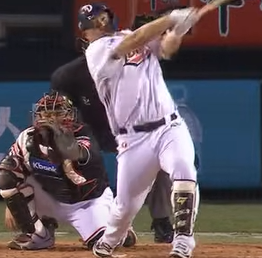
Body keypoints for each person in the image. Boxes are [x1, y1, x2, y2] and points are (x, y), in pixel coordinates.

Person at [78, 2, 213, 258]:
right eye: (94, 20)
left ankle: (183, 240)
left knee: (184, 170)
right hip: (133, 139)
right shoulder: (96, 51)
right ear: (85, 30)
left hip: (169, 126)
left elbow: (166, 49)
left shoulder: (130, 35)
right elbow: (135, 40)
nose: (101, 21)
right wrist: (171, 19)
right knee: (125, 206)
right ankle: (111, 238)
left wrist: (177, 31)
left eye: (103, 16)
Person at [50, 49, 174, 245]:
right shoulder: (69, 74)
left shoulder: (134, 69)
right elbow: (58, 113)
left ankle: (162, 221)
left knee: (158, 155)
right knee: (56, 156)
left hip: (127, 130)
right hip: (84, 132)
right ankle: (51, 224)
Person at [0, 90, 136, 250]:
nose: (51, 119)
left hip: (86, 202)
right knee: (7, 172)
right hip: (51, 196)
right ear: (38, 116)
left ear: (69, 115)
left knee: (103, 244)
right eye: (46, 114)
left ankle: (121, 229)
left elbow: (79, 153)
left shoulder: (82, 133)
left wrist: (61, 142)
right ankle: (38, 234)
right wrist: (13, 203)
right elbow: (12, 171)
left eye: (57, 113)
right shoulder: (27, 137)